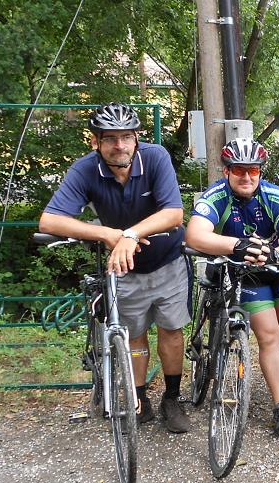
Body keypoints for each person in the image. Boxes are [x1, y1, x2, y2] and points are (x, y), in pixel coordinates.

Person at [40, 103, 191, 433]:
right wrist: (108, 234)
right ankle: (139, 399)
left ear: (137, 138)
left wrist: (132, 233)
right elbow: (49, 219)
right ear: (96, 142)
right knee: (134, 335)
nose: (119, 145)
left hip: (166, 260)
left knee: (171, 330)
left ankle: (172, 397)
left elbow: (174, 213)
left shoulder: (155, 157)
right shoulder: (85, 170)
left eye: (126, 137)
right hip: (125, 268)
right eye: (110, 139)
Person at [185, 138, 279, 436]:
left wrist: (275, 254)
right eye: (239, 170)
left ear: (260, 171)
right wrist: (237, 245)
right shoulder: (216, 196)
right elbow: (195, 235)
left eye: (253, 170)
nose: (247, 177)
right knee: (269, 334)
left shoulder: (275, 196)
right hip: (247, 271)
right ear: (227, 171)